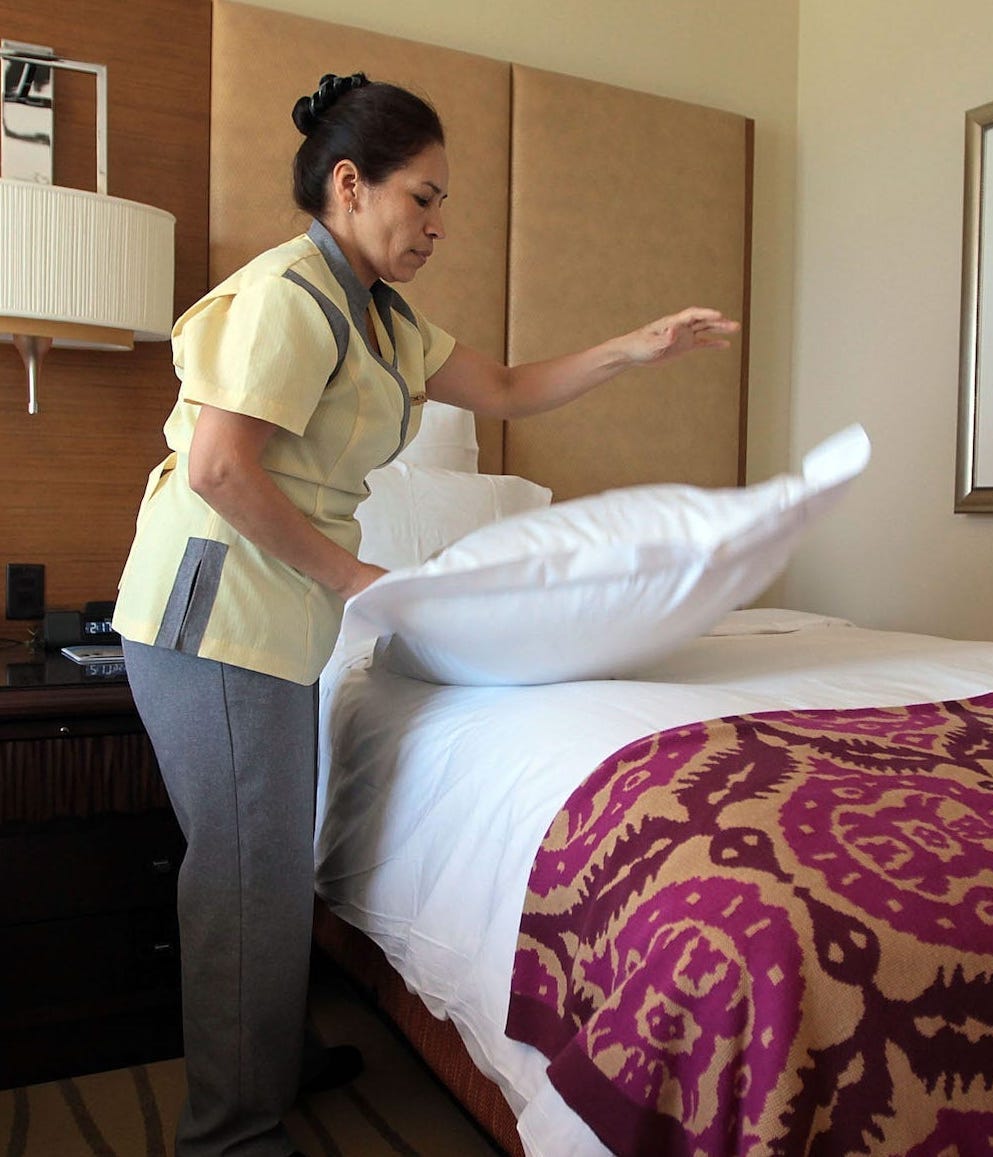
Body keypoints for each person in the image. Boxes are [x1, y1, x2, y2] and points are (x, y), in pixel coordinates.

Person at [112, 71, 738, 1157]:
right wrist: (354, 575)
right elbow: (218, 468)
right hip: (210, 609)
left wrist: (638, 346)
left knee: (266, 854)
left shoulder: (383, 318)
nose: (439, 224)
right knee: (240, 864)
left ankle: (270, 1053)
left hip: (268, 609)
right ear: (349, 186)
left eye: (445, 202)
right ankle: (229, 1130)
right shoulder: (288, 297)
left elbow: (500, 386)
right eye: (424, 197)